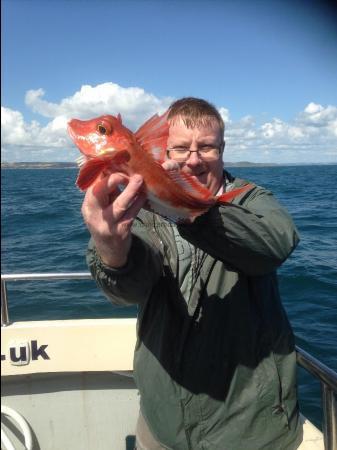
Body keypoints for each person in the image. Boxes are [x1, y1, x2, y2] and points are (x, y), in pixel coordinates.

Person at [82, 97, 303, 450]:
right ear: (161, 149)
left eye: (207, 147)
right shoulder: (141, 209)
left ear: (223, 148)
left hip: (251, 428)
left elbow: (276, 242)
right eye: (181, 148)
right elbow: (127, 290)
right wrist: (111, 246)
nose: (194, 159)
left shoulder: (251, 199)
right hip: (163, 423)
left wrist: (190, 211)